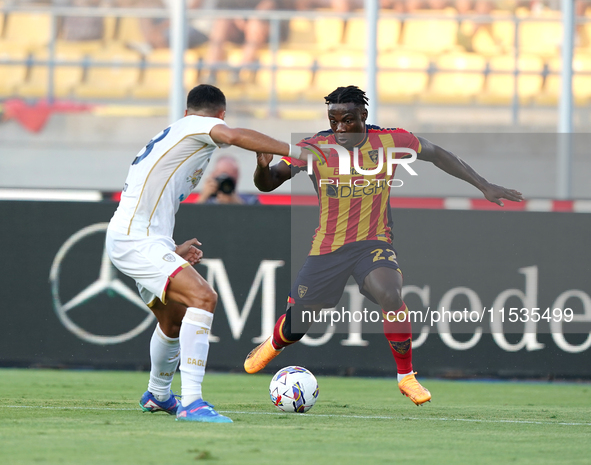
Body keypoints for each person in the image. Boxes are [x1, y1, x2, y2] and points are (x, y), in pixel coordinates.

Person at [243, 85, 523, 406]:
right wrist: (262, 166)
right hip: (328, 248)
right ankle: (274, 344)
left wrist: (483, 184)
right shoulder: (315, 148)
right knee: (299, 323)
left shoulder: (392, 141)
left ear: (363, 115)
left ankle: (406, 377)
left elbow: (439, 155)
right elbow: (269, 184)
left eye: (347, 120)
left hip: (373, 243)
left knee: (390, 293)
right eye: (333, 121)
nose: (340, 128)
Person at [105, 84, 300, 422]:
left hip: (143, 238)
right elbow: (235, 135)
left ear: (185, 110)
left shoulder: (178, 133)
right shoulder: (196, 125)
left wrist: (168, 247)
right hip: (135, 240)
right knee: (204, 298)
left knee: (173, 317)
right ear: (219, 115)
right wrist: (296, 151)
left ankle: (158, 394)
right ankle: (193, 402)